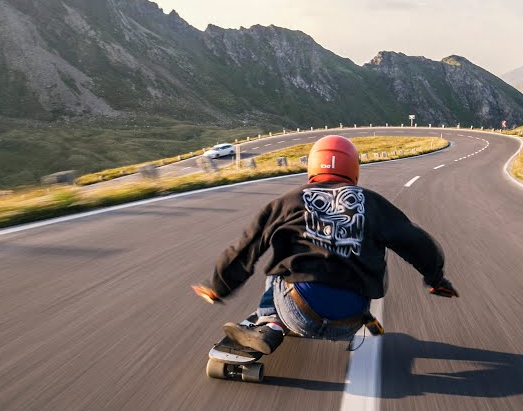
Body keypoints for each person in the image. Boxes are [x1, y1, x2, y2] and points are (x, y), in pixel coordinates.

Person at [192, 135, 458, 355]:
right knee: (376, 250)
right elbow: (418, 242)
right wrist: (436, 279)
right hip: (350, 320)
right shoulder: (373, 203)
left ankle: (270, 323)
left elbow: (247, 246)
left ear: (313, 166)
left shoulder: (288, 201)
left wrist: (219, 286)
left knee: (279, 263)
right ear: (353, 168)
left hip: (298, 312)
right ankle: (348, 308)